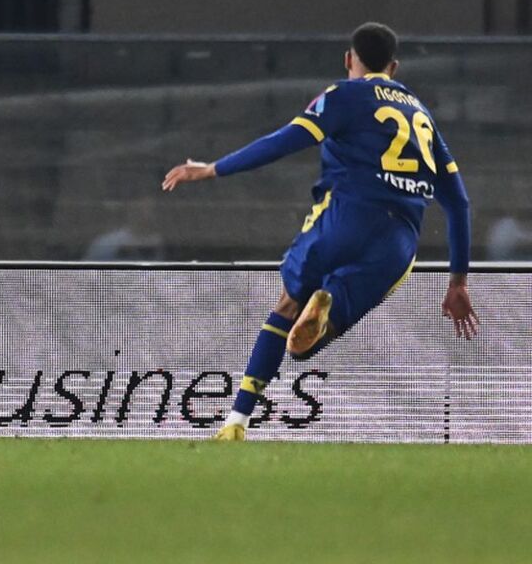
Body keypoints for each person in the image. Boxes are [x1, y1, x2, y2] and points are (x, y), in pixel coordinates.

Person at [162, 22, 478, 441]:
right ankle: (326, 314)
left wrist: (214, 168)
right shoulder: (422, 115)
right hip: (399, 242)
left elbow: (286, 140)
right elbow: (458, 203)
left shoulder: (345, 95)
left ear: (350, 59)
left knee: (288, 304)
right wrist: (457, 281)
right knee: (314, 337)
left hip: (345, 218)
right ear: (394, 67)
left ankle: (237, 421)